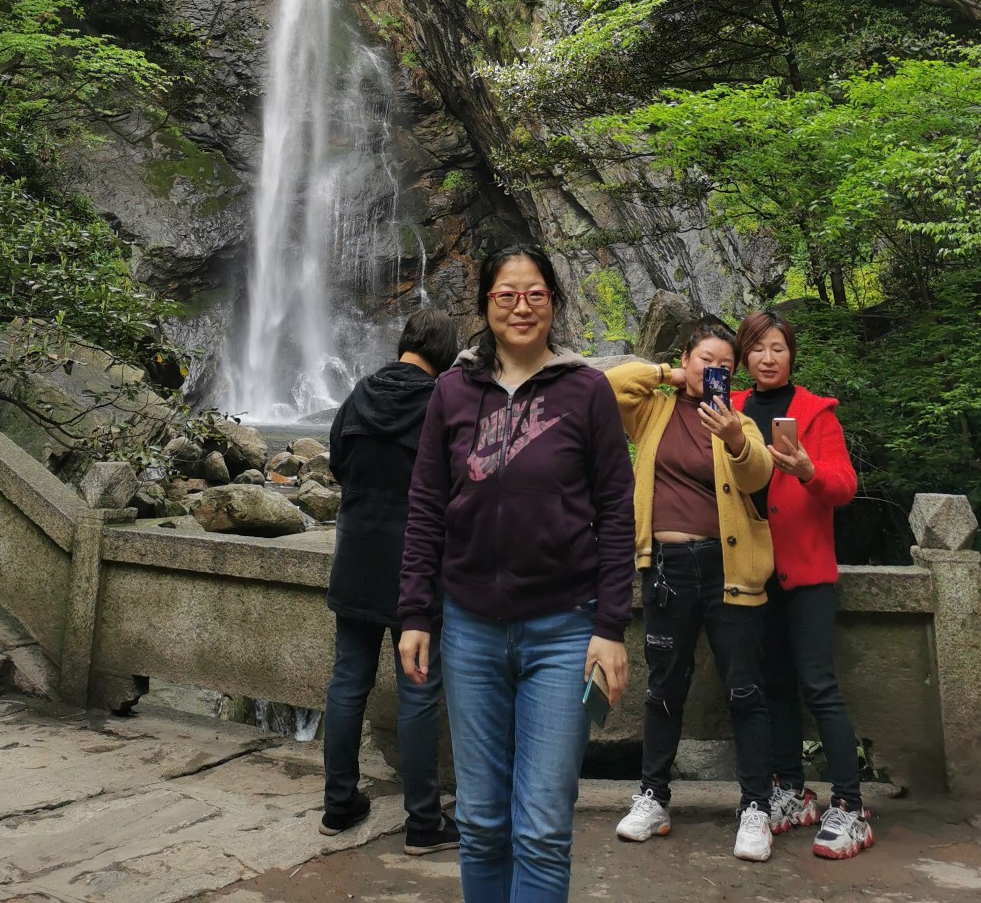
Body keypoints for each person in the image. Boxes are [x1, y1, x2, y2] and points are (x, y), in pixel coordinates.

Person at [397, 245, 636, 903]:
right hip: (470, 630)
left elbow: (618, 511)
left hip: (564, 630)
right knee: (479, 822)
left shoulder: (586, 391)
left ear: (554, 302)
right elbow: (424, 507)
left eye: (534, 294)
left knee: (540, 828)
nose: (521, 306)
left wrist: (611, 627)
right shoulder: (450, 391)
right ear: (484, 307)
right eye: (506, 294)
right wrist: (415, 612)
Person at [605, 320, 777, 863]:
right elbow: (608, 387)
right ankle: (653, 797)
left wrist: (731, 437)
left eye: (724, 365)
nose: (714, 372)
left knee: (745, 690)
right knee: (663, 688)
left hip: (729, 569)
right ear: (686, 359)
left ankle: (755, 807)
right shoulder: (653, 410)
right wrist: (667, 373)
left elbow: (759, 474)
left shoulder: (739, 421)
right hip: (665, 568)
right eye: (705, 360)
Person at [731, 308, 873, 860]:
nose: (768, 358)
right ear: (744, 356)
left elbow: (844, 487)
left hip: (807, 572)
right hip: (753, 573)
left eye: (778, 348)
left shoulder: (815, 413)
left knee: (819, 685)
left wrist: (807, 469)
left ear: (791, 354)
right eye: (758, 348)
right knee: (773, 686)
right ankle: (790, 790)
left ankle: (851, 805)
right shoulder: (733, 409)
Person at [322, 306, 462, 854]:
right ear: (446, 355)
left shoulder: (357, 394)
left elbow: (337, 460)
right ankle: (423, 822)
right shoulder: (439, 405)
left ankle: (338, 805)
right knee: (419, 692)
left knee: (347, 681)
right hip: (415, 565)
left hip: (355, 553)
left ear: (405, 341)